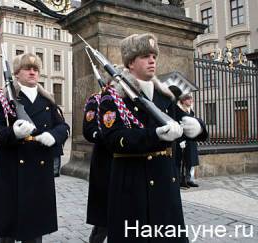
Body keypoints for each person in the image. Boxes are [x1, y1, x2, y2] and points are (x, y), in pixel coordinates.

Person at [98, 33, 207, 243]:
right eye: (145, 56)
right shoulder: (113, 97)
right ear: (130, 62)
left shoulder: (165, 96)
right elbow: (113, 139)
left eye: (154, 56)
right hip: (132, 184)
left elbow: (183, 120)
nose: (152, 60)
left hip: (165, 182)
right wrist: (154, 135)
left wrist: (198, 128)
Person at [0, 53, 70, 243]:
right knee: (7, 228)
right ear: (16, 73)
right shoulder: (3, 96)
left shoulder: (47, 99)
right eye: (27, 68)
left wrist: (54, 136)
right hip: (11, 168)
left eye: (36, 69)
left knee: (35, 228)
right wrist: (13, 133)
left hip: (39, 169)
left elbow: (64, 127)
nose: (33, 72)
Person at [83, 93, 112, 243]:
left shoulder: (133, 97)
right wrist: (110, 136)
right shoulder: (97, 100)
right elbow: (89, 129)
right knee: (104, 216)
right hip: (106, 161)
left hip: (130, 163)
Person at [175, 93, 204, 188]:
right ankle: (181, 180)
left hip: (191, 139)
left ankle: (190, 179)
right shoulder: (178, 110)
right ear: (183, 100)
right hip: (183, 139)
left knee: (191, 160)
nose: (191, 101)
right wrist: (180, 140)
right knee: (183, 160)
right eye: (189, 99)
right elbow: (178, 125)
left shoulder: (191, 111)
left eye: (191, 99)